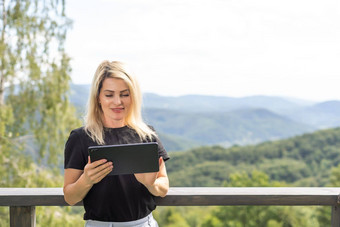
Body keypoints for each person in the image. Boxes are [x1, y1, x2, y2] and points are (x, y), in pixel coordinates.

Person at [63, 60, 170, 227]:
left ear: (133, 96)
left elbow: (163, 187)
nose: (118, 101)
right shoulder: (80, 138)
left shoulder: (147, 135)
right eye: (109, 94)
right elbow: (70, 197)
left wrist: (151, 184)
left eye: (124, 94)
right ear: (98, 97)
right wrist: (86, 180)